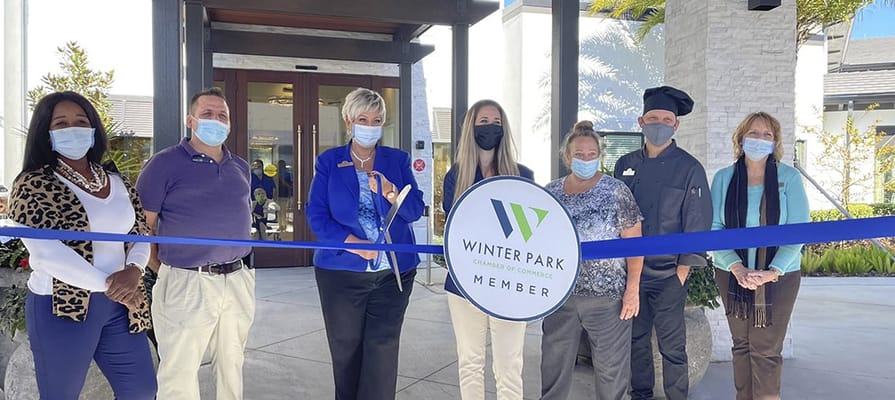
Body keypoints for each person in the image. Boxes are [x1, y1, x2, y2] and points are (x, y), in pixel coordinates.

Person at [7, 91, 156, 399]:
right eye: (61, 123)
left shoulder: (118, 181)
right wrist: (116, 287)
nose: (72, 129)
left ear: (93, 129)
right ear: (46, 133)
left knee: (141, 390)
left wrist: (134, 269)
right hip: (62, 305)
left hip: (121, 305)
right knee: (60, 394)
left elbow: (140, 233)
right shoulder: (32, 184)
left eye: (81, 121)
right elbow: (47, 255)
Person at [136, 87, 255, 400]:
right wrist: (158, 266)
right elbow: (142, 225)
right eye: (207, 114)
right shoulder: (163, 164)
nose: (216, 120)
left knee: (232, 364)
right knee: (179, 370)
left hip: (238, 279)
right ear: (191, 120)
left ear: (229, 124)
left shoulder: (240, 167)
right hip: (187, 281)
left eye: (222, 115)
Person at [306, 87, 424, 400]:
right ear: (349, 121)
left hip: (393, 274)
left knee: (382, 353)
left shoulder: (397, 160)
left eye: (376, 120)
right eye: (363, 119)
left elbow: (414, 211)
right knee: (346, 352)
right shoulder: (329, 162)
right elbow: (317, 215)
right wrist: (353, 243)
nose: (370, 126)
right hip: (340, 273)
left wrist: (390, 191)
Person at [614, 85, 713, 400]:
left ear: (676, 125)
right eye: (653, 118)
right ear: (641, 122)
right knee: (636, 340)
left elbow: (697, 222)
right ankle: (640, 395)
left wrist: (682, 272)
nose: (660, 125)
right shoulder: (625, 164)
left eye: (666, 120)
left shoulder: (689, 168)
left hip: (670, 273)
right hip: (632, 272)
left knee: (673, 345)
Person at [541, 121, 644, 400]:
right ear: (567, 157)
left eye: (591, 154)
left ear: (600, 156)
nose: (585, 159)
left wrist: (632, 290)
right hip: (560, 297)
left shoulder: (616, 191)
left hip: (607, 300)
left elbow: (635, 244)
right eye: (579, 154)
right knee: (553, 369)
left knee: (611, 374)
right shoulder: (550, 193)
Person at [710, 112, 809, 400]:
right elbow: (715, 228)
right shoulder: (724, 178)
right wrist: (738, 268)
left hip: (780, 276)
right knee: (741, 345)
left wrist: (771, 272)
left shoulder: (789, 178)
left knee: (765, 348)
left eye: (767, 135)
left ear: (775, 142)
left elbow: (798, 230)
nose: (760, 139)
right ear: (741, 139)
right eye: (753, 133)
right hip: (732, 274)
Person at [442, 99, 533, 400]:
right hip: (465, 283)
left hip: (509, 283)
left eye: (496, 122)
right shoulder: (456, 176)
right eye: (483, 122)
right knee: (470, 363)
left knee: (509, 367)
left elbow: (529, 234)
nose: (490, 128)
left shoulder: (522, 176)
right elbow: (455, 230)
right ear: (471, 127)